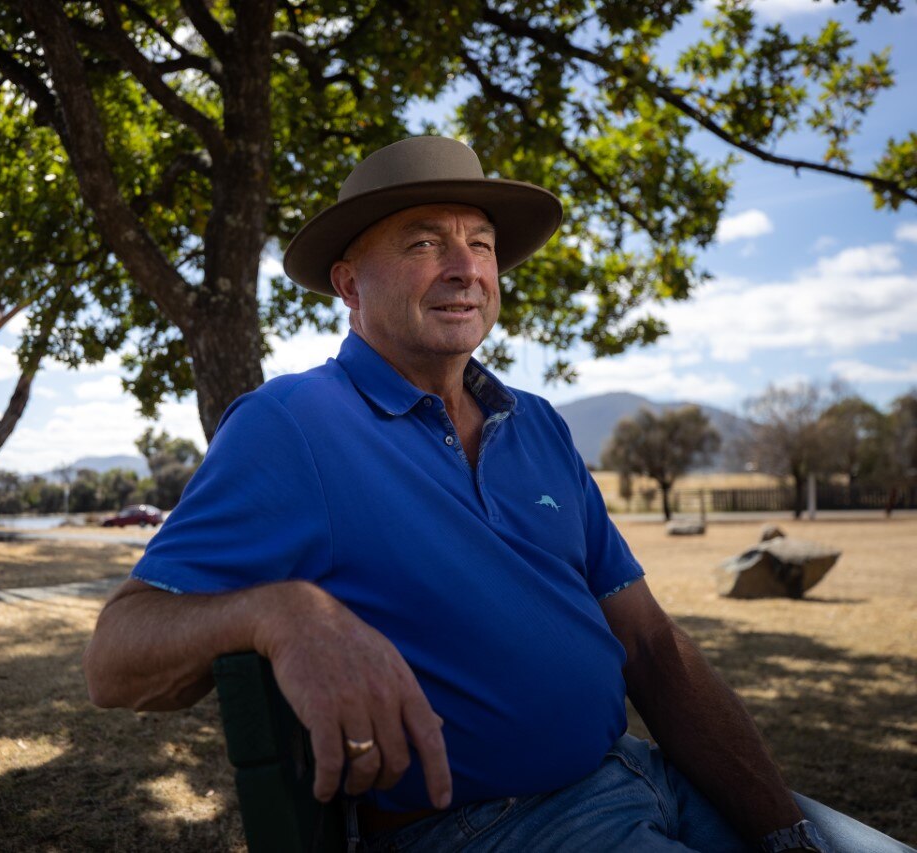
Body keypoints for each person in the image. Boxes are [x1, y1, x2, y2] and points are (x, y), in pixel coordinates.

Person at [83, 136, 912, 853]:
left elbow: (651, 643)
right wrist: (283, 612)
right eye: (424, 243)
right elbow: (115, 656)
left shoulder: (537, 423)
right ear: (348, 285)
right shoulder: (293, 423)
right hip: (494, 825)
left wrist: (784, 831)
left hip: (643, 773)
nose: (466, 268)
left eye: (480, 243)